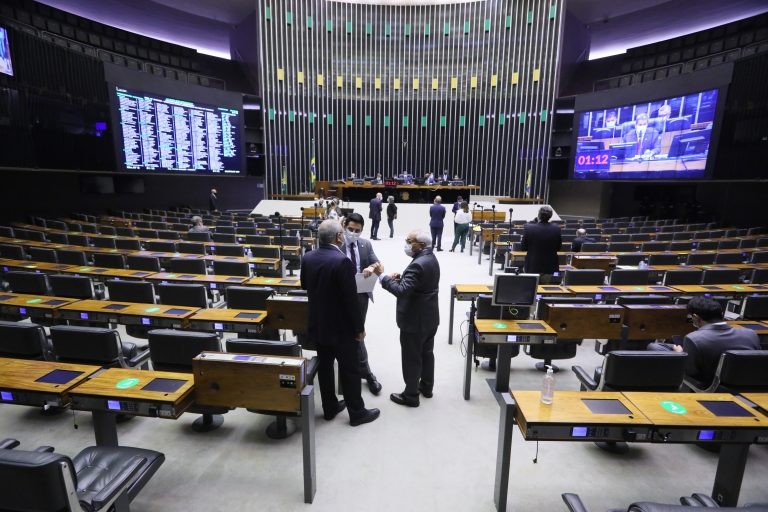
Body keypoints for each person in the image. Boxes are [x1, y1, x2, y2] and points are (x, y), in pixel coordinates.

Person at [300, 220, 380, 426]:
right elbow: (350, 300)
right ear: (338, 237)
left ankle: (330, 407)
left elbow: (304, 285)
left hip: (318, 323)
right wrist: (359, 328)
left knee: (325, 367)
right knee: (349, 369)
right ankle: (357, 412)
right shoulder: (343, 261)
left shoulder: (307, 257)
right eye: (343, 233)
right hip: (342, 329)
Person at [374, 230, 440, 407]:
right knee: (427, 353)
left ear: (421, 245)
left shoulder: (418, 264)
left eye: (410, 241)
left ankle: (411, 395)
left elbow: (401, 291)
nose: (407, 244)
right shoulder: (431, 258)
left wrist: (383, 276)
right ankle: (426, 387)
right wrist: (401, 279)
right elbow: (418, 284)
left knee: (412, 357)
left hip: (415, 320)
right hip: (430, 317)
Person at [648, 297, 760, 386]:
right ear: (721, 313)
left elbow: (689, 371)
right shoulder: (750, 333)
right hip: (747, 380)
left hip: (707, 382)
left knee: (655, 348)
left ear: (696, 317)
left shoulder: (694, 338)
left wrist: (680, 353)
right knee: (659, 346)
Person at [342, 213, 383, 395]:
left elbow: (378, 263)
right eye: (350, 229)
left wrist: (371, 267)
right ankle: (363, 372)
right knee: (350, 333)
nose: (353, 233)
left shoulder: (365, 244)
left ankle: (364, 372)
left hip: (360, 295)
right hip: (340, 296)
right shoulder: (336, 243)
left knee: (358, 332)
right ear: (344, 226)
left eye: (357, 230)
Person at [520, 206, 562, 284]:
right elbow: (558, 247)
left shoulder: (529, 228)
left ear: (539, 215)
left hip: (533, 265)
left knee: (532, 289)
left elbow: (523, 247)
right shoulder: (556, 228)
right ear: (550, 216)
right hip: (550, 266)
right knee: (547, 290)